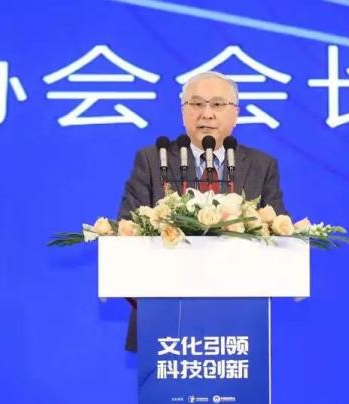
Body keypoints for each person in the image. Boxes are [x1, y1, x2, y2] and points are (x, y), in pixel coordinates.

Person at [117, 71, 287, 352]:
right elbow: (128, 228)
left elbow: (277, 233)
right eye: (196, 104)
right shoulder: (152, 160)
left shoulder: (261, 165)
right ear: (183, 112)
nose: (207, 113)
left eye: (218, 104)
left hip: (237, 320)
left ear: (236, 114)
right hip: (165, 318)